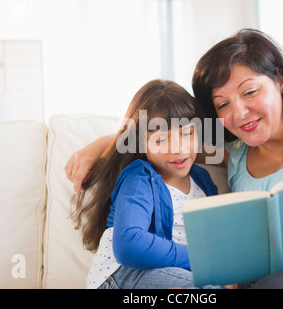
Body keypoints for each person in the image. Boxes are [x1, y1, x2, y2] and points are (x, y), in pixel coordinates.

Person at [66, 29, 283, 289]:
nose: (240, 113)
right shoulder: (234, 150)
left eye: (250, 91)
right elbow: (161, 141)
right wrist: (104, 144)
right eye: (223, 104)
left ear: (279, 81)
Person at [70, 79, 220, 289]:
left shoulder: (202, 180)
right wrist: (201, 259)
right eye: (160, 140)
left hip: (172, 273)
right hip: (121, 276)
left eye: (187, 133)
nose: (178, 148)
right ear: (140, 143)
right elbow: (130, 244)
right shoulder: (140, 179)